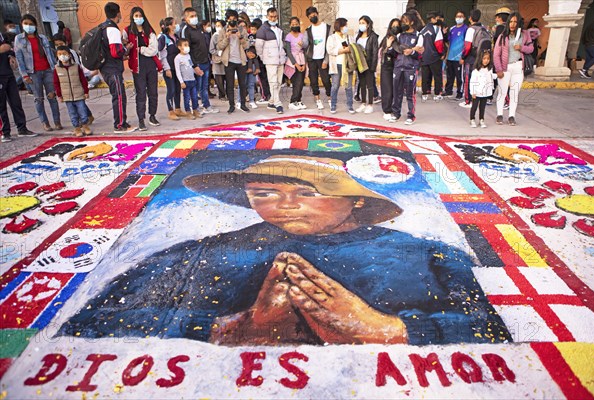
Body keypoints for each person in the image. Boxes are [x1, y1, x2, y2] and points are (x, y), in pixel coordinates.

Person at [59, 154, 512, 346]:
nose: (283, 205)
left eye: (306, 192)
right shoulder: (192, 255)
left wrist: (387, 330)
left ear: (357, 198)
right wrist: (227, 328)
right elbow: (90, 321)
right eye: (263, 192)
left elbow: (488, 328)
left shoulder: (430, 257)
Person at [14, 14, 63, 132]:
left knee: (52, 96)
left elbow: (50, 55)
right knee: (39, 98)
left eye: (31, 24)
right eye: (26, 24)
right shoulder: (19, 39)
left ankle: (57, 121)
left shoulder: (42, 38)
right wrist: (24, 75)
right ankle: (45, 122)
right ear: (22, 25)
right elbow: (19, 59)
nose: (28, 26)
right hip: (33, 73)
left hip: (47, 70)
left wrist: (55, 68)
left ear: (35, 25)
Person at [99, 2, 136, 133]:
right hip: (112, 68)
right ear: (118, 13)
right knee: (119, 96)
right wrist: (127, 49)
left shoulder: (103, 27)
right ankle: (120, 124)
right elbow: (115, 52)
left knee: (118, 95)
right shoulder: (113, 29)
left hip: (106, 67)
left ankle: (121, 122)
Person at [124, 7, 162, 131]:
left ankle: (152, 115)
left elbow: (153, 50)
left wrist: (140, 49)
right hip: (137, 67)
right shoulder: (127, 31)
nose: (138, 18)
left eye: (140, 15)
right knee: (140, 94)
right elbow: (123, 48)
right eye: (136, 15)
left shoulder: (149, 31)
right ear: (132, 17)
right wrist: (129, 48)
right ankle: (141, 119)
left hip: (150, 65)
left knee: (153, 92)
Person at [494, 11, 534, 126]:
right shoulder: (503, 36)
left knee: (514, 93)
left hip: (518, 67)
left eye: (515, 22)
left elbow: (531, 49)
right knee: (502, 92)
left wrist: (522, 48)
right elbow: (496, 54)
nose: (512, 24)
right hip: (505, 68)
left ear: (519, 23)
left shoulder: (524, 34)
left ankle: (512, 116)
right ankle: (499, 114)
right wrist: (499, 69)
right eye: (511, 21)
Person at [0, 32, 37, 142]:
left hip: (9, 74)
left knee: (16, 102)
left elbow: (8, 48)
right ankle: (5, 132)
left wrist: (10, 55)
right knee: (1, 106)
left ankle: (22, 128)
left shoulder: (1, 36)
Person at [181, 8, 218, 115]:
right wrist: (194, 65)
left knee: (204, 87)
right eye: (191, 16)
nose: (194, 18)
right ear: (186, 19)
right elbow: (187, 50)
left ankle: (206, 105)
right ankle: (195, 107)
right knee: (196, 87)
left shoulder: (199, 28)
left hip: (205, 61)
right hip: (196, 63)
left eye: (195, 15)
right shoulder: (186, 31)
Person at [388, 12, 423, 125]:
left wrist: (412, 51)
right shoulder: (399, 36)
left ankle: (411, 115)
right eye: (402, 21)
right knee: (397, 91)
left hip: (410, 68)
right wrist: (389, 46)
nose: (403, 24)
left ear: (412, 22)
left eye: (405, 21)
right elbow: (393, 53)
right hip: (398, 67)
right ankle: (396, 113)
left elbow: (420, 54)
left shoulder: (418, 36)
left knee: (409, 93)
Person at [52, 33, 95, 124]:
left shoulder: (72, 54)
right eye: (57, 45)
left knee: (80, 104)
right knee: (73, 107)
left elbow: (78, 67)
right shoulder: (57, 59)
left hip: (76, 83)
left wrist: (85, 89)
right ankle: (79, 123)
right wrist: (59, 94)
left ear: (66, 43)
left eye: (61, 44)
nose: (59, 47)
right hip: (66, 88)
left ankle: (86, 119)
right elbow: (56, 80)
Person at [53, 46, 92, 137]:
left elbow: (83, 80)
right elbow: (56, 83)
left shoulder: (76, 66)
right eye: (59, 54)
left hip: (79, 94)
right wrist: (59, 95)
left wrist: (86, 91)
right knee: (72, 113)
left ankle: (85, 126)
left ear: (69, 55)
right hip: (67, 96)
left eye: (64, 54)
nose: (62, 56)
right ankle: (77, 128)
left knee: (82, 111)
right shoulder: (56, 69)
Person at [256, 7, 287, 114]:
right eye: (271, 16)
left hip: (280, 59)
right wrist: (264, 57)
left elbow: (282, 45)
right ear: (267, 16)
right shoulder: (262, 29)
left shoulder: (279, 29)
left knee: (278, 82)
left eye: (275, 17)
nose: (273, 19)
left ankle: (272, 101)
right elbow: (258, 47)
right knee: (273, 81)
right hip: (270, 60)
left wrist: (283, 56)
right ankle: (277, 103)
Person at [217, 18, 250, 114]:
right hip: (229, 61)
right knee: (230, 84)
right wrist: (226, 37)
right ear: (227, 20)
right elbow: (219, 46)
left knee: (242, 84)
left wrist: (241, 38)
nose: (232, 21)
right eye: (230, 19)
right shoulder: (223, 31)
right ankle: (231, 105)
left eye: (234, 19)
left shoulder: (242, 30)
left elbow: (246, 45)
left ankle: (243, 104)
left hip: (241, 61)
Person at [459, 9, 490, 109]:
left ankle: (468, 100)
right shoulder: (484, 29)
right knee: (479, 80)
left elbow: (467, 46)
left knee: (468, 79)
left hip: (471, 59)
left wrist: (463, 57)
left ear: (470, 18)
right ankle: (478, 99)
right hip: (481, 58)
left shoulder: (471, 29)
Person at [303, 6, 332, 110]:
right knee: (313, 80)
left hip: (323, 57)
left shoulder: (327, 27)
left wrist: (326, 60)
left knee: (326, 80)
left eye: (314, 15)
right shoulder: (308, 30)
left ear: (317, 14)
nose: (313, 17)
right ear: (308, 18)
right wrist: (301, 43)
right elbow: (306, 43)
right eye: (310, 16)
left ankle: (330, 98)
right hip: (312, 59)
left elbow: (330, 45)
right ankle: (317, 99)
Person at [327, 18, 355, 115]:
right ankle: (333, 105)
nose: (346, 28)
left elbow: (353, 48)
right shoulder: (332, 38)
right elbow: (330, 50)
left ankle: (350, 105)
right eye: (345, 26)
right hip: (336, 64)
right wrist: (343, 50)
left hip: (347, 64)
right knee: (335, 86)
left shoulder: (349, 37)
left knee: (348, 86)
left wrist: (349, 49)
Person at [159, 17, 184, 121]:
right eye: (174, 23)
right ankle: (171, 111)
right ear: (169, 26)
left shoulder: (177, 37)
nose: (176, 25)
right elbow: (161, 54)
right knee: (171, 89)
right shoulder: (163, 38)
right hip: (168, 68)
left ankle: (178, 109)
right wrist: (166, 68)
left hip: (177, 68)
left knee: (178, 89)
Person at [354, 15, 378, 114]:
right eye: (360, 23)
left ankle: (370, 104)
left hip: (369, 63)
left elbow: (375, 52)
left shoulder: (373, 36)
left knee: (370, 85)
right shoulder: (358, 36)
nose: (361, 25)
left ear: (368, 24)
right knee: (362, 84)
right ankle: (363, 103)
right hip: (360, 64)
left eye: (363, 23)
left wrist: (373, 66)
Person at [419, 12, 445, 102]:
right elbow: (439, 44)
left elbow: (419, 45)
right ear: (433, 19)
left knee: (425, 76)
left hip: (424, 57)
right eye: (436, 18)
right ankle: (437, 94)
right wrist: (441, 54)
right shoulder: (437, 29)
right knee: (437, 76)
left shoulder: (422, 30)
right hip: (435, 57)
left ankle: (425, 93)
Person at [379, 19, 400, 121]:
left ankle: (394, 109)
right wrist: (388, 46)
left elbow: (399, 52)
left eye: (397, 26)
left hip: (398, 66)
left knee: (396, 90)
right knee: (387, 89)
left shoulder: (401, 38)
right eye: (393, 26)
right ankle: (387, 110)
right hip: (387, 67)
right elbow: (382, 52)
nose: (395, 28)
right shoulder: (386, 38)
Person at [444, 10, 468, 99]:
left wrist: (463, 56)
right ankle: (448, 91)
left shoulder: (466, 29)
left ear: (464, 18)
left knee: (459, 77)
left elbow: (467, 44)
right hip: (450, 57)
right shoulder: (452, 29)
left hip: (459, 58)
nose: (459, 18)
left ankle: (459, 93)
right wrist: (445, 33)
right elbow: (448, 42)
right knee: (450, 76)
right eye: (457, 16)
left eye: (461, 16)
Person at [469, 49, 495, 128]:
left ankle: (481, 119)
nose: (486, 61)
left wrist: (498, 76)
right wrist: (473, 92)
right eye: (484, 58)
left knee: (482, 107)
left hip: (485, 92)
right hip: (477, 92)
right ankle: (472, 119)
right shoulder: (476, 71)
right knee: (474, 106)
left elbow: (491, 77)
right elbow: (472, 82)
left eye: (488, 59)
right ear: (480, 59)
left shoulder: (489, 69)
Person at [285, 17, 306, 110]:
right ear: (290, 25)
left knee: (301, 82)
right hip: (293, 62)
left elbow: (305, 49)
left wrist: (304, 64)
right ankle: (292, 101)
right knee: (296, 82)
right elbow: (288, 52)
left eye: (296, 24)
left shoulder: (302, 36)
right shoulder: (288, 36)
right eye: (292, 24)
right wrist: (296, 64)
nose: (294, 26)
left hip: (302, 59)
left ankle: (298, 100)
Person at [174, 38, 198, 120]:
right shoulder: (177, 58)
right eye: (185, 45)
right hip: (185, 81)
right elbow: (178, 71)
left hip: (192, 80)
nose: (187, 47)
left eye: (188, 45)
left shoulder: (188, 56)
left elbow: (191, 65)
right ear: (179, 47)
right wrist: (181, 82)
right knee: (187, 97)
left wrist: (196, 72)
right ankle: (188, 112)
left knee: (194, 96)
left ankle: (195, 110)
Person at [579, 12, 594, 81]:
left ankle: (584, 73)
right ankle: (584, 69)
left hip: (587, 45)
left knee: (589, 59)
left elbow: (584, 36)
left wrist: (585, 43)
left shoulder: (590, 25)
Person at [209, 20, 227, 101]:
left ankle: (228, 94)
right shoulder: (214, 36)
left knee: (228, 79)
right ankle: (222, 95)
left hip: (226, 60)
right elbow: (211, 49)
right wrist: (218, 53)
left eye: (219, 25)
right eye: (216, 25)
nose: (217, 27)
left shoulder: (226, 35)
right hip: (218, 61)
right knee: (219, 80)